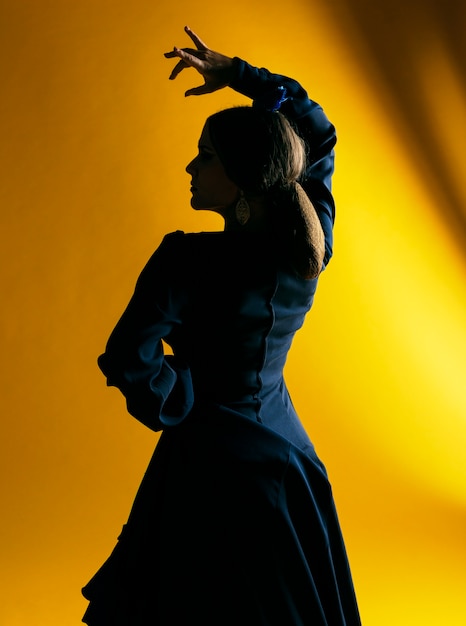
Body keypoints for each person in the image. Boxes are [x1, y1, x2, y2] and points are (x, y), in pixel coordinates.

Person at [82, 26, 361, 626]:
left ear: (238, 179)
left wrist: (181, 392)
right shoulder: (308, 248)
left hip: (207, 463)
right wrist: (236, 73)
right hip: (285, 453)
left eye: (205, 156)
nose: (190, 165)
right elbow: (320, 134)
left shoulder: (187, 261)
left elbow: (129, 357)